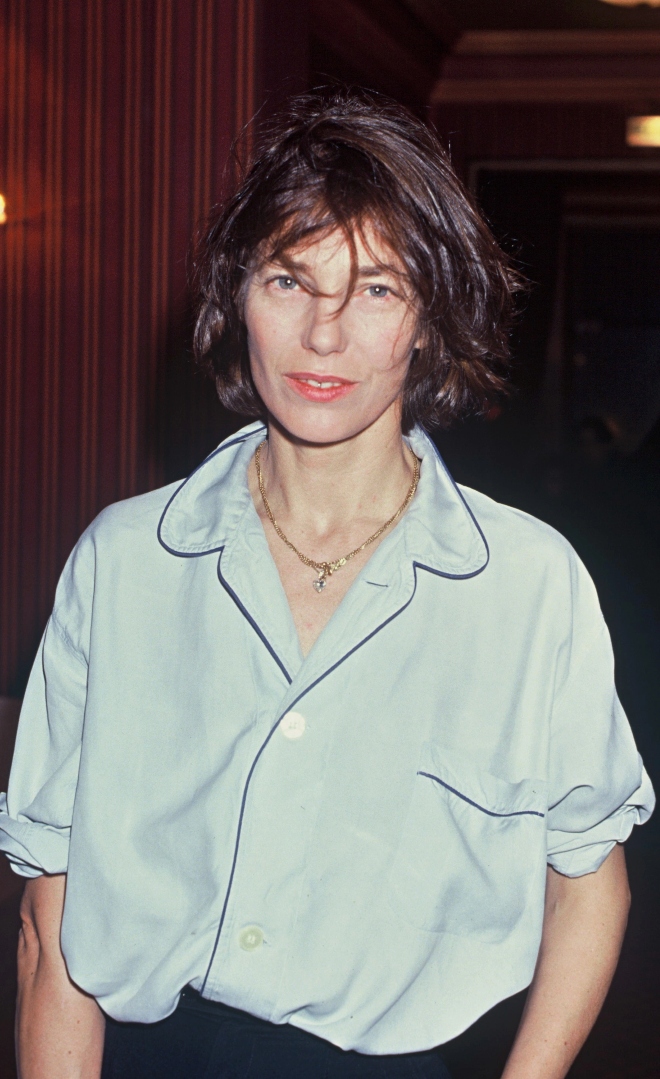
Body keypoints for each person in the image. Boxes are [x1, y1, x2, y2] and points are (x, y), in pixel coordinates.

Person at [0, 88, 654, 1079]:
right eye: (290, 280)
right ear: (238, 296)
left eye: (378, 289)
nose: (324, 333)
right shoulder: (124, 561)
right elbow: (50, 926)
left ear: (430, 322)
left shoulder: (529, 586)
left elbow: (589, 881)